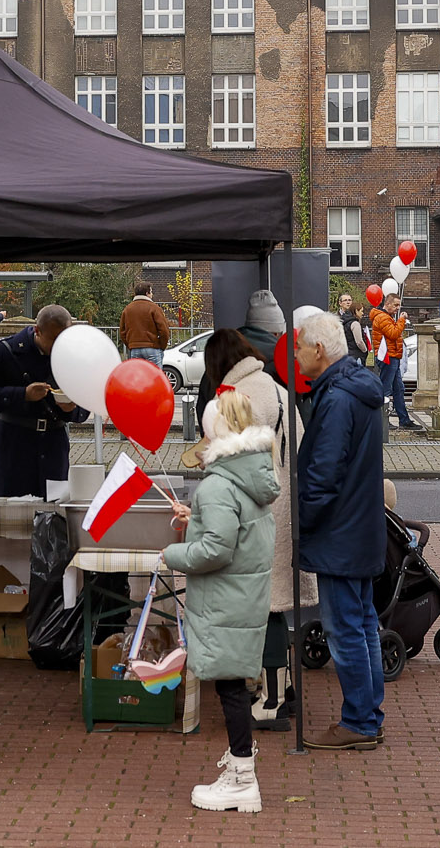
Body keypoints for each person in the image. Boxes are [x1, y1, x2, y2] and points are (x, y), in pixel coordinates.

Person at [189, 293, 314, 732]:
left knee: (266, 605)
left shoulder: (238, 396)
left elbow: (232, 460)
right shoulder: (275, 387)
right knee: (276, 601)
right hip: (283, 504)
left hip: (257, 510)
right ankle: (285, 690)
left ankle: (274, 699)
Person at [164, 384, 282, 813]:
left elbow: (216, 549)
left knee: (230, 688)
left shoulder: (218, 486)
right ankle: (239, 766)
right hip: (242, 599)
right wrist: (196, 517)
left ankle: (242, 778)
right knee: (235, 686)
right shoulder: (250, 476)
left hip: (223, 601)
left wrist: (171, 553)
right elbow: (240, 528)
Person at [291, 310, 387, 750]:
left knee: (346, 628)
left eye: (299, 346)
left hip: (339, 531)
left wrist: (303, 522)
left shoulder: (336, 398)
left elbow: (322, 473)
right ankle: (367, 714)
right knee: (363, 623)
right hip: (360, 526)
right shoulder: (357, 390)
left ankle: (360, 722)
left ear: (318, 350)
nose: (295, 354)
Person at [0, 305, 88, 496]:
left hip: (53, 448)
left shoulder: (72, 357)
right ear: (38, 331)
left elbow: (83, 408)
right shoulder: (5, 352)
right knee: (9, 517)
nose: (60, 346)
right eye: (54, 340)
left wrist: (71, 409)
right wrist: (23, 394)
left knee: (53, 517)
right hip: (14, 448)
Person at [371, 293, 417, 430]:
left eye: (399, 305)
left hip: (392, 356)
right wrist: (402, 320)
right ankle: (382, 421)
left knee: (398, 389)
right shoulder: (382, 317)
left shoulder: (386, 317)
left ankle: (404, 419)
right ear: (388, 304)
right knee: (386, 389)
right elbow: (393, 333)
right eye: (396, 305)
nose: (398, 308)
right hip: (388, 357)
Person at [120, 280, 171, 365]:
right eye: (151, 292)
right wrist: (161, 346)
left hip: (134, 348)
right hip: (152, 347)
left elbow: (122, 331)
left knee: (138, 376)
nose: (152, 294)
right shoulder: (154, 308)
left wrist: (130, 344)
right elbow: (164, 330)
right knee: (154, 376)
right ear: (147, 293)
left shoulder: (127, 309)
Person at [337, 293, 370, 367]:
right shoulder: (336, 318)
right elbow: (359, 341)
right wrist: (365, 350)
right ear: (340, 303)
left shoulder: (355, 319)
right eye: (345, 300)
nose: (348, 302)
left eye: (349, 300)